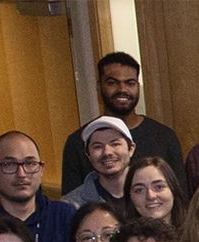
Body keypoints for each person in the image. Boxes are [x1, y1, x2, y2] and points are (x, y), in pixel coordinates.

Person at [61, 51, 185, 194]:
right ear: (98, 87)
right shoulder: (79, 141)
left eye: (130, 83)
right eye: (112, 83)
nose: (122, 89)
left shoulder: (165, 137)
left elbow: (180, 198)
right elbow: (71, 206)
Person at [66, 115, 138, 209]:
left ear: (131, 149)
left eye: (115, 144)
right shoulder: (71, 206)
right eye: (97, 146)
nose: (107, 152)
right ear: (88, 155)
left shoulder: (152, 195)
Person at [124, 157, 189, 228]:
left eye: (159, 187)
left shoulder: (196, 235)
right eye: (139, 190)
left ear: (173, 189)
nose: (150, 196)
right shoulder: (121, 238)